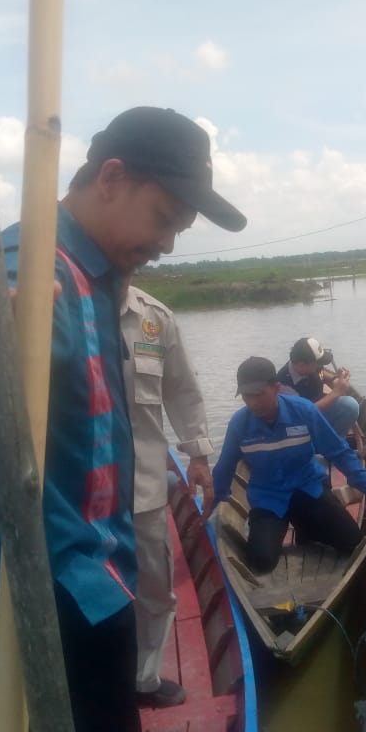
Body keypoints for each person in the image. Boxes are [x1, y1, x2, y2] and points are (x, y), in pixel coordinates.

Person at [0, 106, 246, 732]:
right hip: (50, 579)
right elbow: (29, 313)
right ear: (111, 177)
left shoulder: (98, 272)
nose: (167, 244)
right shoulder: (38, 263)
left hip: (88, 568)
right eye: (163, 217)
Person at [120, 279, 214, 708]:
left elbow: (182, 390)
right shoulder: (56, 310)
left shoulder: (153, 319)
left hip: (142, 484)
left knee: (154, 587)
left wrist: (197, 455)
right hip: (70, 492)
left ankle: (143, 680)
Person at [211, 356, 366, 573]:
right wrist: (211, 505)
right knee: (261, 561)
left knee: (353, 543)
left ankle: (309, 527)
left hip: (309, 490)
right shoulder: (240, 423)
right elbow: (224, 468)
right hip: (269, 499)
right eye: (247, 396)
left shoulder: (304, 411)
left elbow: (339, 452)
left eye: (259, 394)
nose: (253, 402)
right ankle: (287, 529)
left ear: (276, 388)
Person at [275, 337, 359, 435]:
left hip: (316, 409)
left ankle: (333, 440)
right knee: (350, 406)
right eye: (318, 363)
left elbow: (322, 372)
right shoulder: (284, 385)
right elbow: (305, 414)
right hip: (299, 425)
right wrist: (336, 392)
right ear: (302, 365)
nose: (320, 365)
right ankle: (331, 445)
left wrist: (335, 379)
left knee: (348, 405)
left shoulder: (308, 365)